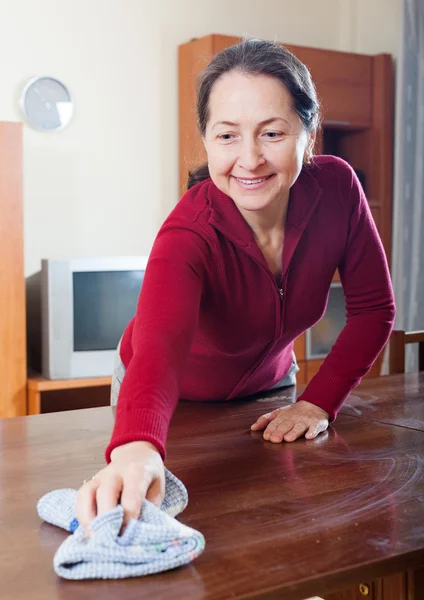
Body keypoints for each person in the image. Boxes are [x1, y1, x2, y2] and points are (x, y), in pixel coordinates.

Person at [76, 38, 395, 533]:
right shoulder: (189, 231)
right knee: (189, 519)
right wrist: (137, 448)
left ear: (308, 135)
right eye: (227, 136)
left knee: (274, 521)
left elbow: (374, 309)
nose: (250, 159)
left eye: (271, 133)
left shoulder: (338, 189)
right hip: (168, 395)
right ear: (206, 140)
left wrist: (319, 399)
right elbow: (158, 347)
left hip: (270, 387)